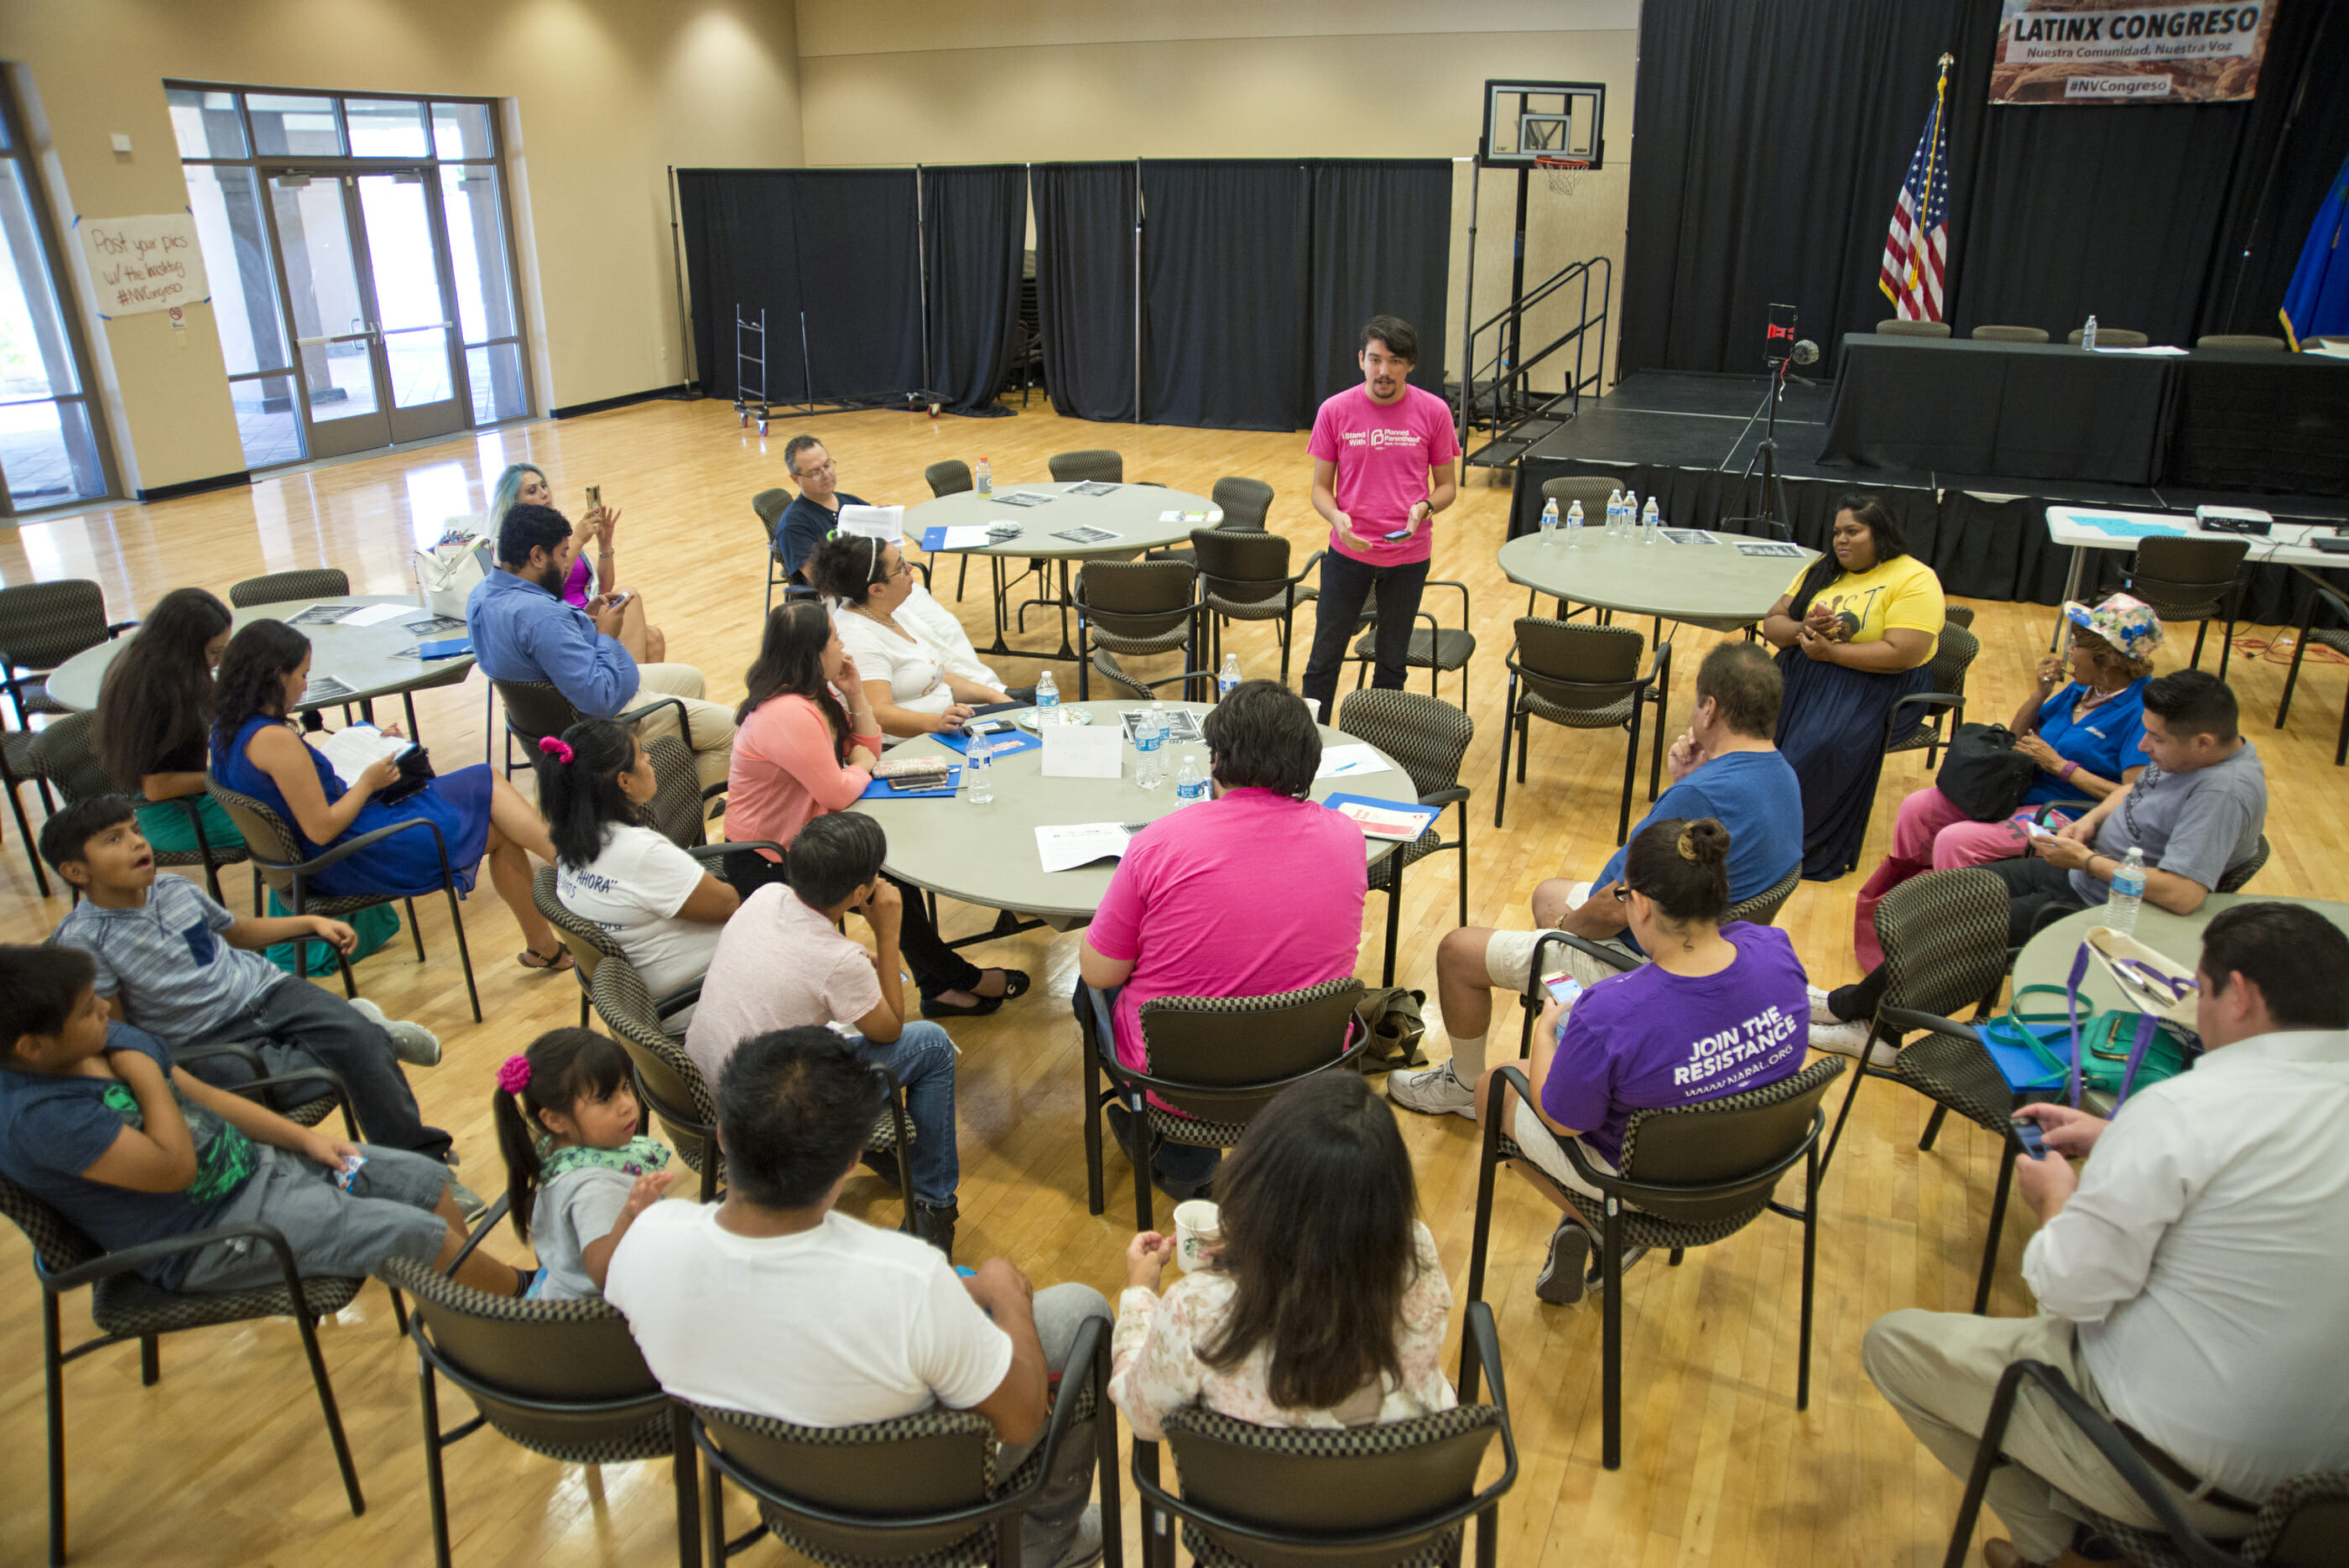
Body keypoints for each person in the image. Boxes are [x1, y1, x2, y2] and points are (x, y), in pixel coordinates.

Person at [1863, 904, 2349, 1568]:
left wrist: (2056, 1198)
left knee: (1894, 1346)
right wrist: (2122, 1139)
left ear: (2239, 994)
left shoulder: (2183, 1110)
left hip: (2180, 1476)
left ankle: (2057, 1553)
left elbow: (2065, 1290)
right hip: (2324, 1503)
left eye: (2198, 991)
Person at [607, 1027, 1112, 1568]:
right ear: (854, 1159)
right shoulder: (908, 1277)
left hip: (777, 1487)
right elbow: (1019, 1421)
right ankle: (1044, 1545)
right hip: (921, 1506)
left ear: (724, 1135)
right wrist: (1007, 1296)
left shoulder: (644, 1243)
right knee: (1084, 1311)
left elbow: (783, 1302)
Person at [1390, 642, 1803, 1117]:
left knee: (1458, 951)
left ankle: (1463, 1084)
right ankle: (1571, 1021)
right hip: (1700, 930)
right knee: (1547, 894)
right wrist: (1686, 782)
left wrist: (1568, 929)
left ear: (1709, 709)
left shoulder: (1698, 793)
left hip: (1637, 948)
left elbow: (1616, 904)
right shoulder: (1783, 776)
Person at [0, 944, 526, 1299]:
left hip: (262, 1166)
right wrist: (145, 1073)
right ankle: (524, 1303)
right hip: (210, 1235)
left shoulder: (98, 1037)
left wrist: (306, 1139)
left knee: (423, 1182)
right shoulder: (39, 1117)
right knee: (414, 1236)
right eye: (88, 1010)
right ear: (32, 1047)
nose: (105, 1012)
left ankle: (468, 1315)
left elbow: (206, 1097)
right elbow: (173, 1169)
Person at [1814, 669, 2268, 1053]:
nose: (2145, 747)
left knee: (1953, 931)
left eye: (2156, 738)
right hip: (2078, 871)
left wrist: (2087, 860)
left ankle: (1878, 1034)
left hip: (2103, 909)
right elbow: (2133, 788)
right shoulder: (2186, 758)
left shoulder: (2221, 794)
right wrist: (2089, 823)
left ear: (2205, 742)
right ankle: (1851, 1007)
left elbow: (2184, 894)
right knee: (1942, 896)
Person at [1470, 817, 1809, 1305]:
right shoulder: (1774, 950)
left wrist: (1546, 1031)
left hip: (1656, 1188)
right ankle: (1604, 1226)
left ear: (1643, 905)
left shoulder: (1609, 1010)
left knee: (1494, 1087)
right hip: (1750, 1169)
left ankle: (1611, 1227)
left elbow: (1562, 1122)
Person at [42, 797, 461, 1168]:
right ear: (75, 870)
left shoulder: (173, 888)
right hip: (202, 1037)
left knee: (361, 1049)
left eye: (136, 830)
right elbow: (116, 1027)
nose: (138, 842)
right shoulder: (84, 941)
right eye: (114, 839)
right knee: (325, 1072)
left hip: (268, 991)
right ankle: (368, 1032)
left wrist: (310, 921)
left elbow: (234, 932)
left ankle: (425, 1162)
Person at [1078, 680, 1367, 1199]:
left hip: (1179, 1084)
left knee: (1090, 990)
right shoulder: (1347, 837)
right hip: (1307, 1067)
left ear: (1217, 759)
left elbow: (1100, 973)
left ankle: (1183, 1160)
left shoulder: (1156, 845)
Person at [207, 618, 570, 972]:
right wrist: (367, 781)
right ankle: (582, 874)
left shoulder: (227, 727)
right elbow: (321, 828)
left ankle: (550, 937)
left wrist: (362, 747)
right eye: (302, 675)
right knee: (494, 806)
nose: (305, 688)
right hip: (343, 857)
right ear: (275, 674)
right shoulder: (274, 740)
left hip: (312, 856)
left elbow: (294, 789)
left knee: (487, 786)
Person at [1112, 1073, 1455, 1437]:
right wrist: (1249, 1247)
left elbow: (1143, 1418)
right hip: (1400, 1482)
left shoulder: (1196, 1310)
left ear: (1257, 1176)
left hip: (1249, 1493)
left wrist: (1140, 1295)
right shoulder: (1416, 1251)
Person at [682, 813, 965, 1255]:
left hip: (709, 1082)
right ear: (859, 893)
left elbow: (798, 966)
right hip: (773, 1111)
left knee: (837, 1032)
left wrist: (851, 964)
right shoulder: (839, 961)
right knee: (931, 1044)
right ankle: (934, 1203)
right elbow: (891, 1031)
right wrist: (888, 934)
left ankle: (897, 1160)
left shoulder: (765, 895)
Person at [723, 599, 1023, 1015]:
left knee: (894, 868)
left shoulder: (815, 693)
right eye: (834, 639)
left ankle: (944, 984)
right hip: (770, 857)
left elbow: (868, 746)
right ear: (812, 654)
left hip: (811, 833)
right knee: (889, 878)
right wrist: (862, 767)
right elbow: (839, 790)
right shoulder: (786, 712)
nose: (843, 646)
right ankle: (957, 980)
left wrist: (855, 691)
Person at [1846, 593, 2163, 971]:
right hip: (2019, 790)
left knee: (1956, 841)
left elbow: (2133, 795)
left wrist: (2062, 767)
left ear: (2108, 657)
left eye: (2078, 644)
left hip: (2069, 815)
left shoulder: (2140, 710)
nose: (2070, 652)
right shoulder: (2083, 689)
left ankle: (1949, 945)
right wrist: (2040, 693)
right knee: (1918, 808)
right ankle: (1902, 911)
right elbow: (2016, 737)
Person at [467, 502, 737, 789]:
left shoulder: (481, 595)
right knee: (735, 734)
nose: (567, 564)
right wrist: (606, 634)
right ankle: (667, 816)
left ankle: (660, 781)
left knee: (691, 679)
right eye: (561, 555)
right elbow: (599, 700)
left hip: (571, 705)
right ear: (536, 556)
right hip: (612, 716)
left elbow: (540, 650)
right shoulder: (541, 618)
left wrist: (581, 621)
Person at [1759, 495, 1945, 879]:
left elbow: (1903, 652)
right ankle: (1747, 827)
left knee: (1819, 746)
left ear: (1881, 534)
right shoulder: (1823, 570)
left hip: (1879, 684)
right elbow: (1773, 622)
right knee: (1746, 730)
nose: (1841, 541)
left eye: (1853, 532)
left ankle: (1794, 847)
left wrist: (1832, 654)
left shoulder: (1915, 578)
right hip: (1807, 669)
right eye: (1837, 533)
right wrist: (1804, 630)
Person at [1299, 315, 1461, 721]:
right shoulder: (1335, 410)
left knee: (1391, 662)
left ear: (1410, 364)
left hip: (1407, 557)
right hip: (1347, 554)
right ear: (1361, 360)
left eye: (1394, 361)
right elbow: (1320, 489)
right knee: (1324, 658)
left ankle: (1376, 749)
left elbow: (1447, 488)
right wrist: (1336, 518)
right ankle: (1306, 746)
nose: (1383, 371)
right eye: (1375, 360)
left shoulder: (1435, 412)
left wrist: (1424, 508)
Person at [539, 719, 738, 1004]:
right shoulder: (638, 853)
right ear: (624, 782)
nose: (649, 759)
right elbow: (730, 906)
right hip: (702, 995)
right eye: (641, 754)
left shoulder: (571, 842)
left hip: (655, 991)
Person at [492, 1028, 676, 1301]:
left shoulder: (554, 1150)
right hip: (597, 1324)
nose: (627, 1104)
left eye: (625, 1087)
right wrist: (630, 1215)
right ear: (555, 1120)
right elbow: (605, 1275)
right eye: (605, 1099)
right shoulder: (594, 1188)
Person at [806, 534, 1019, 737]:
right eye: (900, 568)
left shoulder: (888, 611)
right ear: (877, 590)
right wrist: (936, 722)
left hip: (948, 718)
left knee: (1036, 707)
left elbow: (931, 675)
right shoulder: (860, 639)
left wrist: (992, 695)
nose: (909, 568)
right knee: (1038, 721)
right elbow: (877, 713)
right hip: (920, 739)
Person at [92, 586, 243, 857]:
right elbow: (157, 787)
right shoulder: (157, 695)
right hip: (175, 816)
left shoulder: (163, 669)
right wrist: (225, 776)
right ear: (185, 651)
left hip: (193, 798)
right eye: (214, 652)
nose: (220, 660)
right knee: (284, 830)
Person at [487, 462, 667, 660]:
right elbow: (546, 590)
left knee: (653, 637)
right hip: (561, 624)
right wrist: (577, 540)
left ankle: (635, 686)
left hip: (589, 614)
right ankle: (630, 688)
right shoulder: (515, 547)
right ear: (514, 503)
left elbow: (603, 588)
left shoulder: (555, 533)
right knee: (630, 595)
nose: (544, 493)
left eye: (543, 486)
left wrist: (605, 545)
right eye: (532, 491)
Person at [773, 435, 861, 583]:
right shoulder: (793, 525)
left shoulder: (852, 503)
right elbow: (820, 579)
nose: (826, 475)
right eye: (815, 472)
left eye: (827, 465)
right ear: (795, 479)